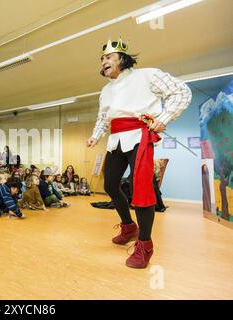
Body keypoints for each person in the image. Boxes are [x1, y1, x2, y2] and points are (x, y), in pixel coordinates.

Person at [87, 38, 191, 268]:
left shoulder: (147, 75)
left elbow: (182, 92)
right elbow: (104, 117)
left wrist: (164, 118)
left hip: (139, 136)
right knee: (110, 185)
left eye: (108, 57)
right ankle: (128, 226)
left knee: (141, 189)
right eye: (102, 58)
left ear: (122, 58)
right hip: (115, 140)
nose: (103, 61)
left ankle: (145, 245)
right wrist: (96, 135)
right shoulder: (105, 90)